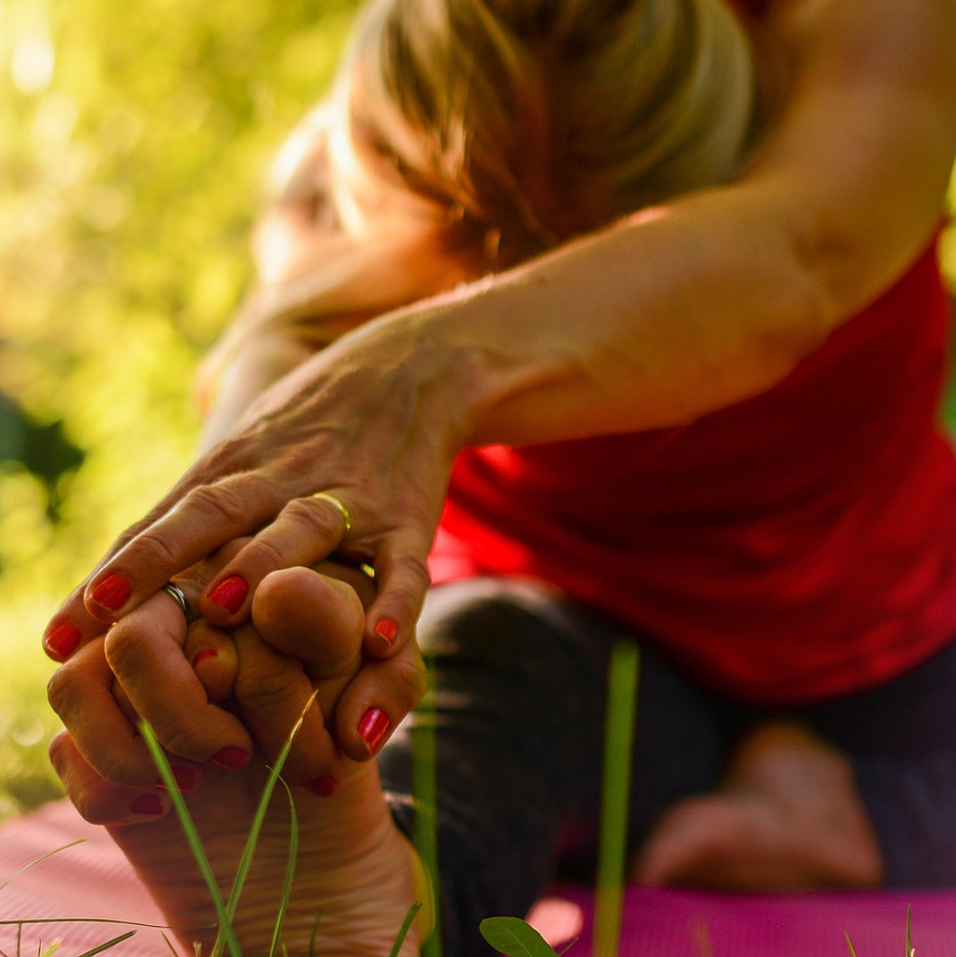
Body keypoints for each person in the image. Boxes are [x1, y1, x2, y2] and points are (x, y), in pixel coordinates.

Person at [43, 0, 956, 952]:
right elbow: (277, 372)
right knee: (480, 693)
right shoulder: (353, 170)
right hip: (579, 650)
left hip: (902, 655)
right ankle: (370, 894)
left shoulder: (855, 43)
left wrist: (415, 367)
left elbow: (799, 252)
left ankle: (848, 808)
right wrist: (215, 611)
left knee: (499, 680)